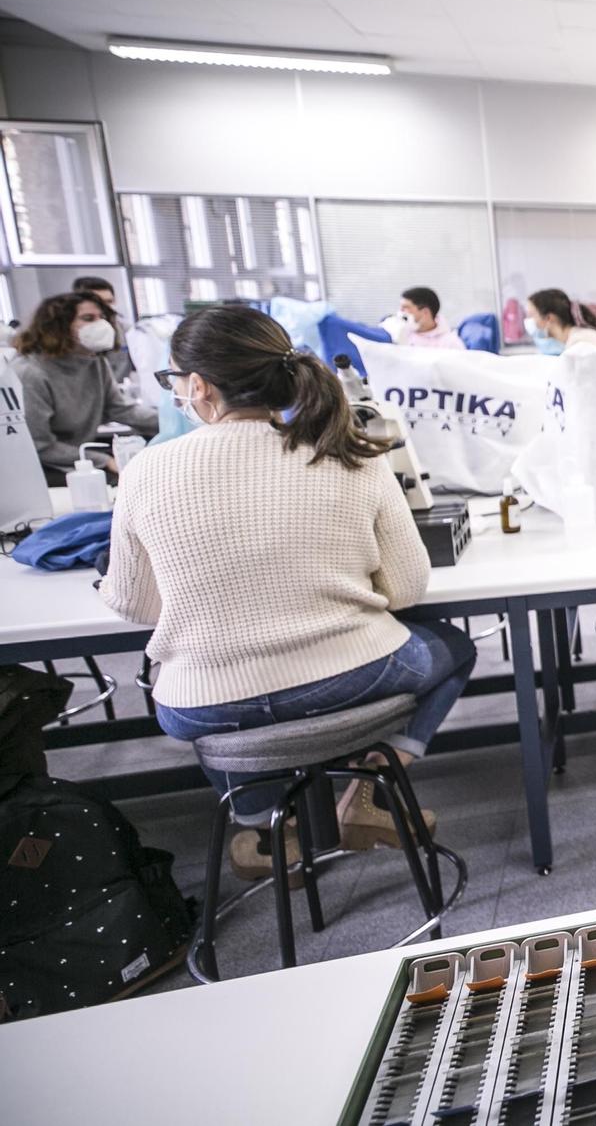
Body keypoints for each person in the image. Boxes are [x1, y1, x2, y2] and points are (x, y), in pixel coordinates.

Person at [99, 304, 477, 879]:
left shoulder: (147, 470)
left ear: (198, 386)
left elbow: (135, 606)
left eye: (172, 380)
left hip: (202, 703)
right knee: (454, 647)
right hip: (355, 675)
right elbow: (405, 588)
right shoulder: (348, 451)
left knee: (227, 706)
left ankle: (264, 820)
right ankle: (367, 784)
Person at [13, 290, 156, 484]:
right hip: (44, 468)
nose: (100, 324)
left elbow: (121, 409)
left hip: (81, 458)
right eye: (88, 318)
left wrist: (178, 419)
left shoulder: (94, 362)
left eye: (102, 317)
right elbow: (40, 445)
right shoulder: (30, 373)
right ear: (59, 327)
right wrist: (104, 460)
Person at [72, 275, 137, 383]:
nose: (106, 308)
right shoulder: (70, 334)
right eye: (99, 302)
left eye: (109, 301)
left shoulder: (128, 330)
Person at [398, 286, 466, 350]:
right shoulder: (400, 334)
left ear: (425, 312)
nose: (401, 311)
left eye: (405, 307)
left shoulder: (451, 343)